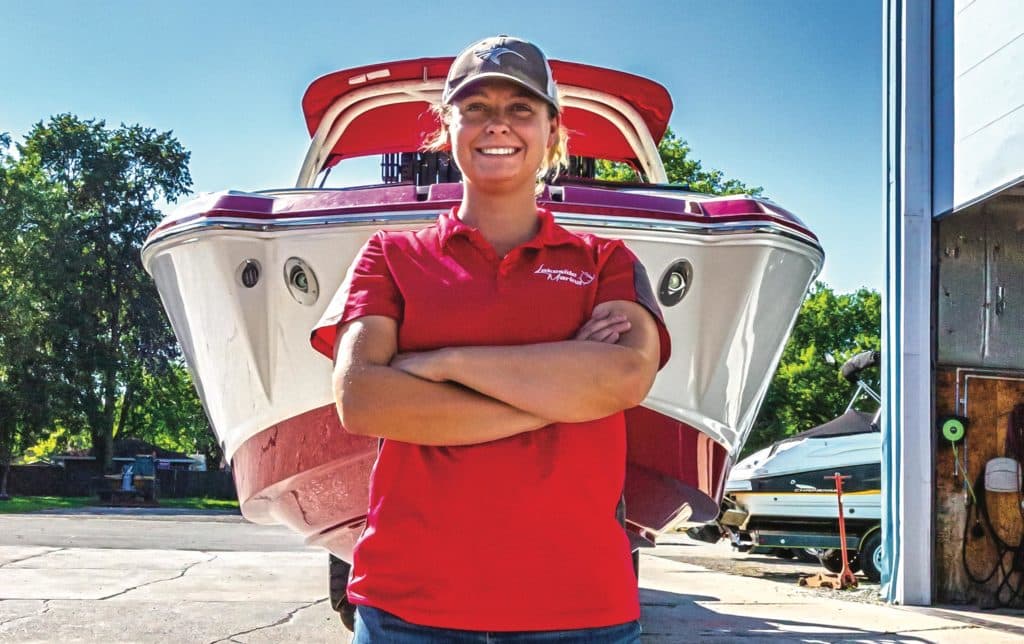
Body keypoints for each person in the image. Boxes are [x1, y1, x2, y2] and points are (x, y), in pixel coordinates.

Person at [310, 35, 671, 643]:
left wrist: (442, 362)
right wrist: (559, 393)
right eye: (475, 107)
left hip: (580, 613)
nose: (496, 124)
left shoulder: (607, 261)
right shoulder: (388, 256)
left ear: (553, 132)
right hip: (408, 611)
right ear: (446, 127)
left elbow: (623, 380)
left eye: (520, 108)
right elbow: (362, 399)